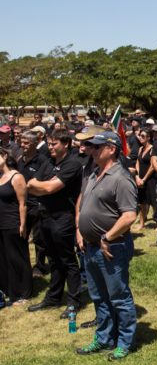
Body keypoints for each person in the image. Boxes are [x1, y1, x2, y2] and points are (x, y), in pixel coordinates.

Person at [74, 132, 138, 361]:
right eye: (90, 146)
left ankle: (124, 341)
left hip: (112, 247)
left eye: (96, 146)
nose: (90, 149)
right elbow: (83, 202)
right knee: (99, 296)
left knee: (118, 295)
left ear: (111, 149)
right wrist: (80, 230)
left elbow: (130, 215)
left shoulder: (121, 177)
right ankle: (104, 337)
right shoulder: (92, 173)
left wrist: (107, 237)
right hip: (90, 246)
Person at [27, 130, 84, 318]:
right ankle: (53, 297)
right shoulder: (48, 162)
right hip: (45, 216)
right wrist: (43, 187)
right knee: (53, 260)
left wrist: (43, 187)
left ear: (65, 144)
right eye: (49, 144)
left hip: (63, 218)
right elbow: (30, 185)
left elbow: (50, 187)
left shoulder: (73, 164)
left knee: (67, 260)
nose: (50, 147)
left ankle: (74, 302)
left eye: (54, 144)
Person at [0, 147, 31, 305]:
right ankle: (8, 290)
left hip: (13, 223)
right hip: (1, 224)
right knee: (3, 259)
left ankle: (22, 292)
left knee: (17, 258)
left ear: (4, 156)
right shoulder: (0, 177)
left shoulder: (16, 176)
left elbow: (22, 203)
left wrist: (23, 224)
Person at [18, 131, 50, 279]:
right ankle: (23, 266)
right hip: (21, 205)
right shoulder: (19, 159)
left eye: (26, 143)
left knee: (39, 238)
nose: (22, 145)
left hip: (36, 204)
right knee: (21, 235)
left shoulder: (43, 160)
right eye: (22, 142)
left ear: (35, 143)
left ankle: (40, 266)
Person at [134, 128, 156, 230]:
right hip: (140, 179)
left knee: (154, 203)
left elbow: (152, 166)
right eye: (139, 135)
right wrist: (138, 177)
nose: (140, 138)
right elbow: (138, 162)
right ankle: (142, 223)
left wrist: (144, 179)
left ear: (149, 137)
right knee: (142, 202)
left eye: (142, 136)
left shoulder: (153, 149)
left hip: (150, 179)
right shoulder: (140, 149)